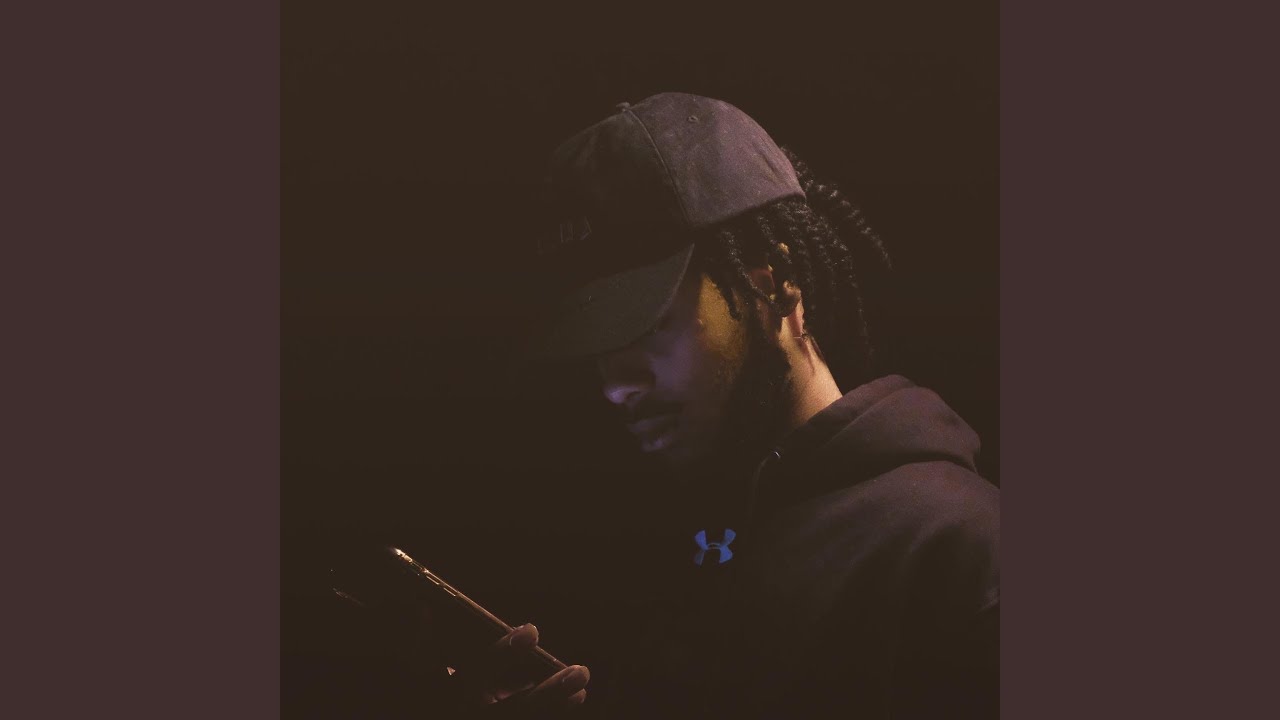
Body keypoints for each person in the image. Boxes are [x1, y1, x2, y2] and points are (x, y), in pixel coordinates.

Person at [454, 92, 1000, 719]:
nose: (615, 386)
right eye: (597, 347)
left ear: (778, 280)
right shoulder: (691, 553)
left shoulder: (964, 554)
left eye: (645, 326)